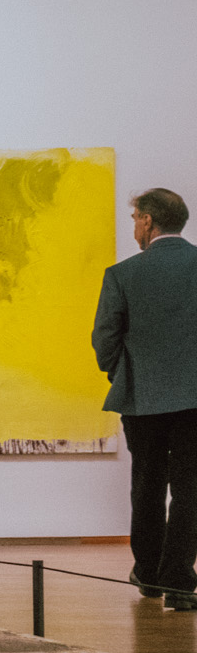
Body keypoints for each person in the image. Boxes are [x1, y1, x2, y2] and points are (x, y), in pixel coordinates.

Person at [92, 187, 197, 611]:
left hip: (142, 398)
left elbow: (105, 339)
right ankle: (179, 581)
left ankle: (149, 574)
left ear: (149, 221)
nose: (134, 226)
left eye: (135, 218)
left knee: (147, 485)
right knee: (191, 489)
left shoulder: (122, 274)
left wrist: (121, 373)